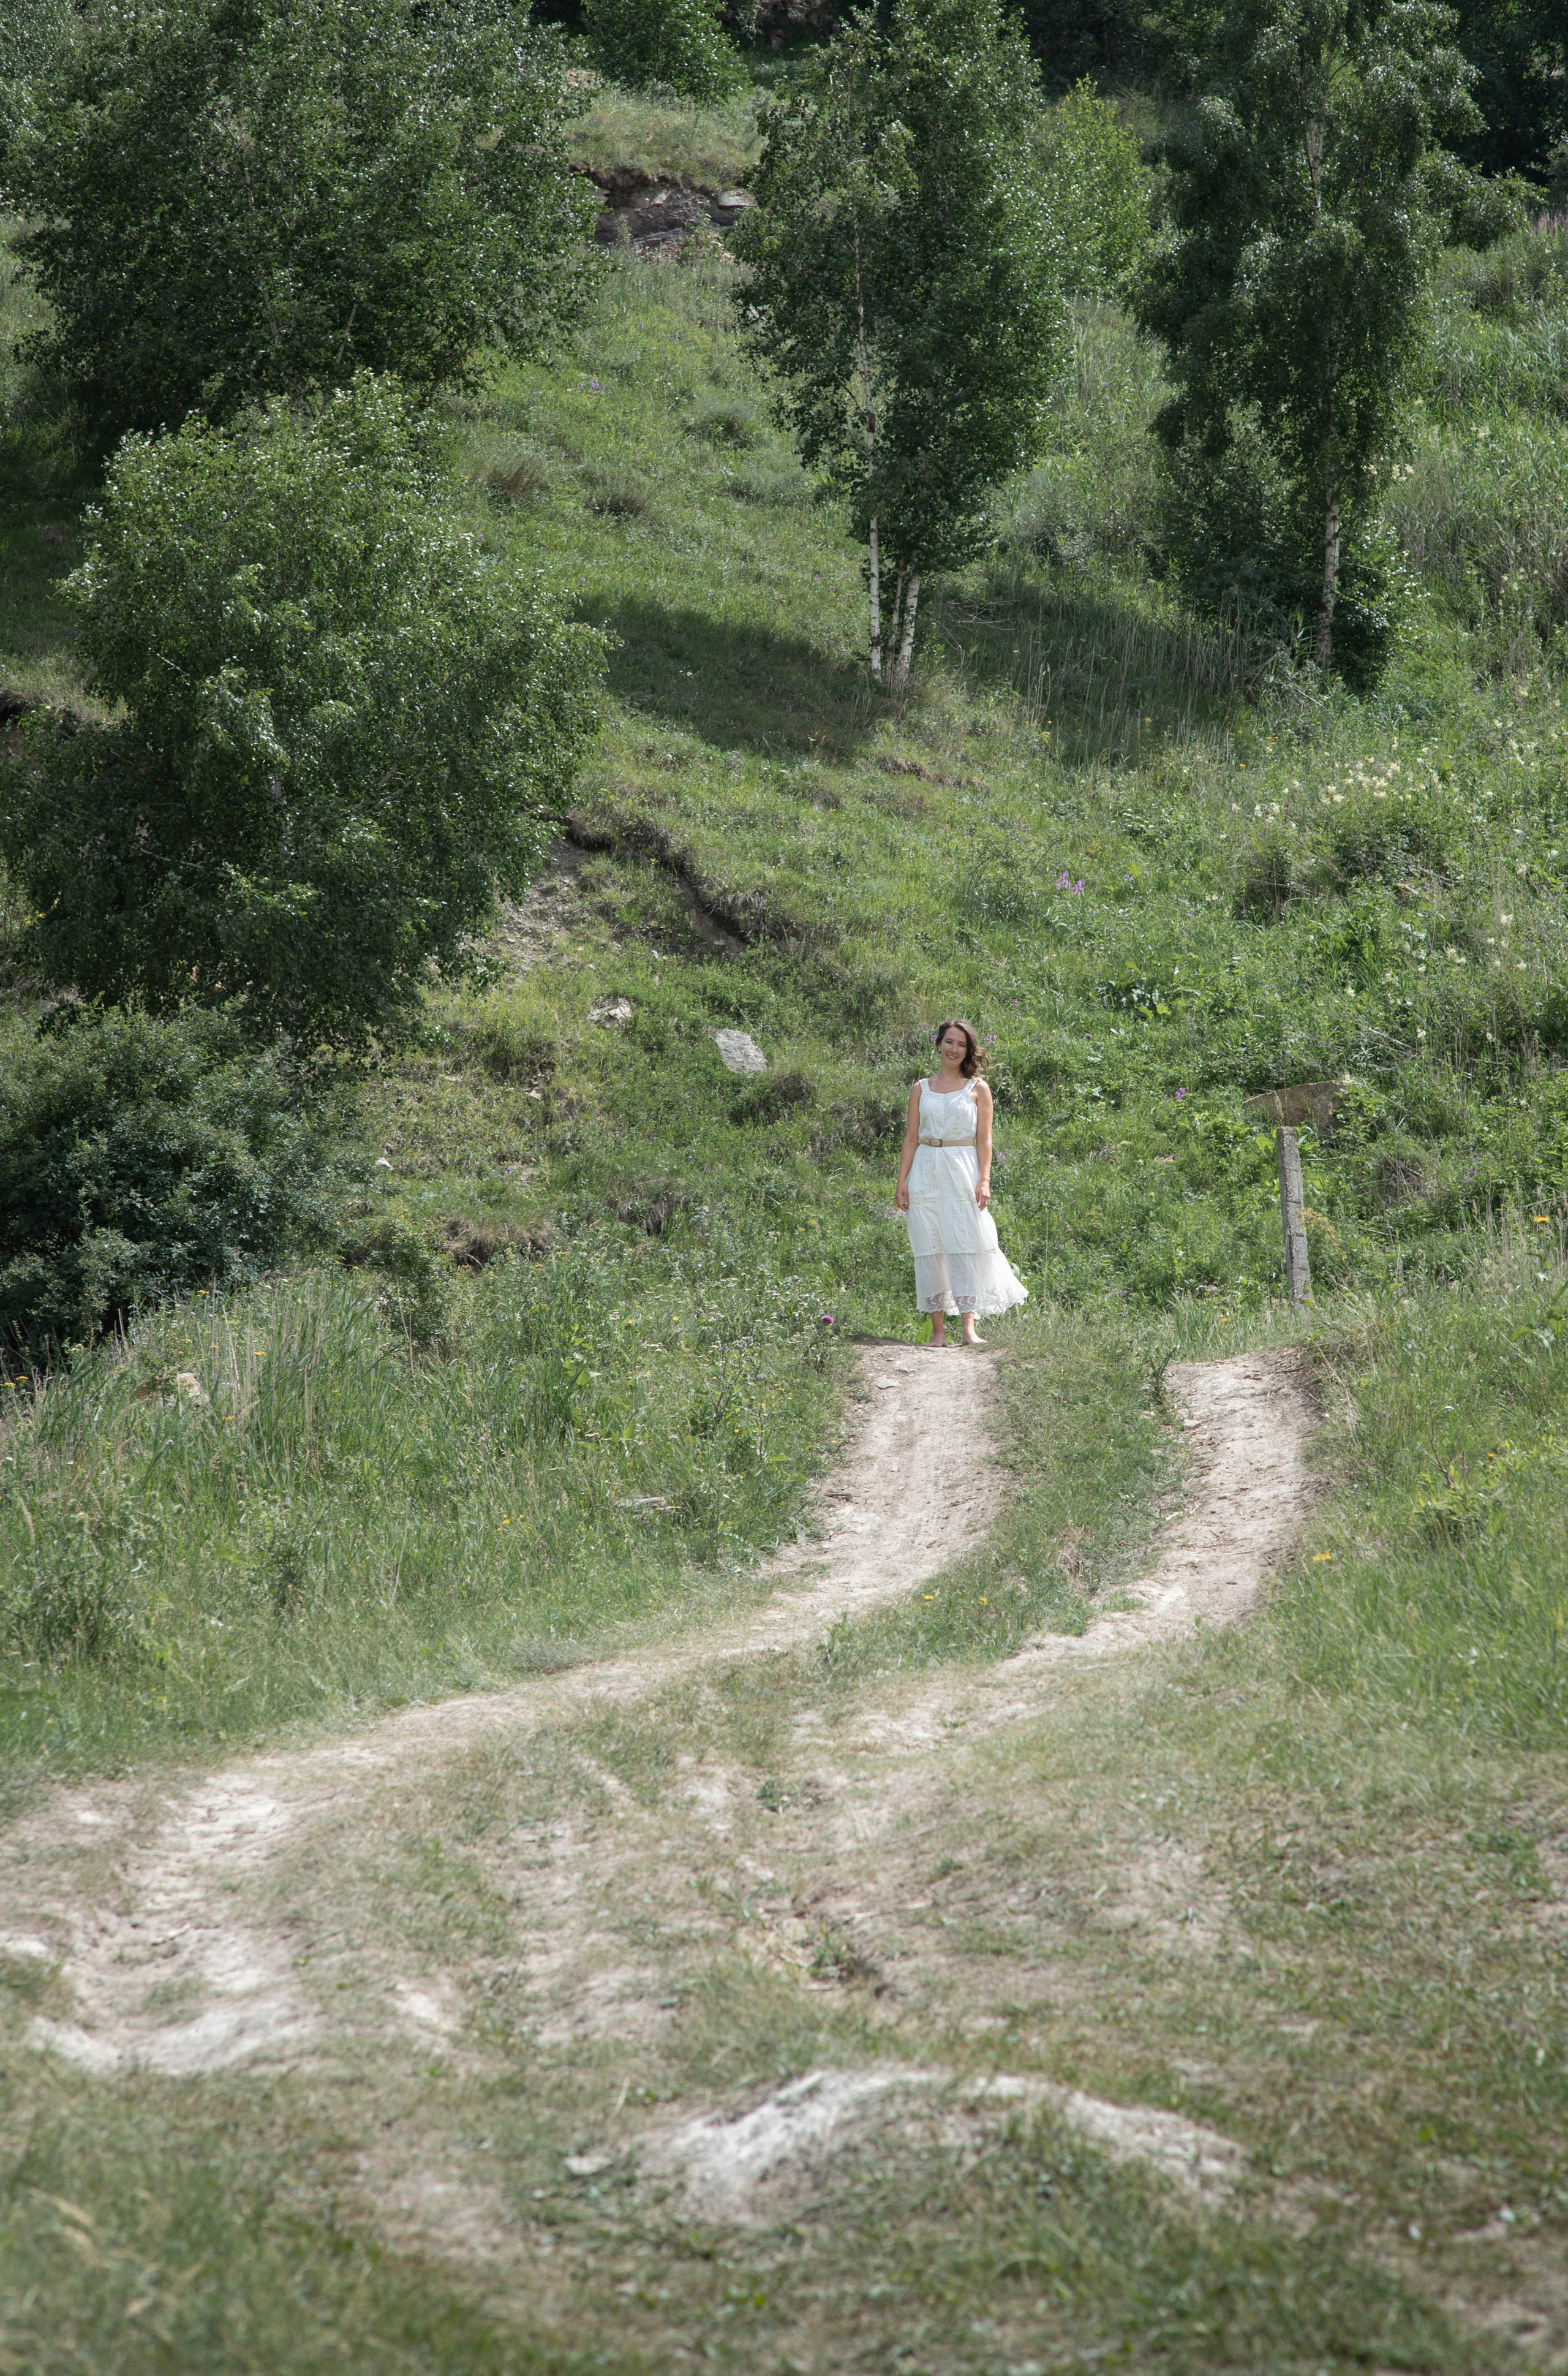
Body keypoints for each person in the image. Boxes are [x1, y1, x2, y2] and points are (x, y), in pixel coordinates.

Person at [894, 1019, 1028, 1346]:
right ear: (938, 1044)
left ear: (968, 1050)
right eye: (949, 1042)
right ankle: (938, 1333)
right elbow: (911, 1138)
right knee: (929, 1246)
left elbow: (985, 1139)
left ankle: (969, 1330)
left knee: (964, 1242)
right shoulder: (920, 1088)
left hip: (962, 1169)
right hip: (926, 1170)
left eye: (961, 1045)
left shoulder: (977, 1087)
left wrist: (985, 1180)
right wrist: (902, 1181)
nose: (954, 1049)